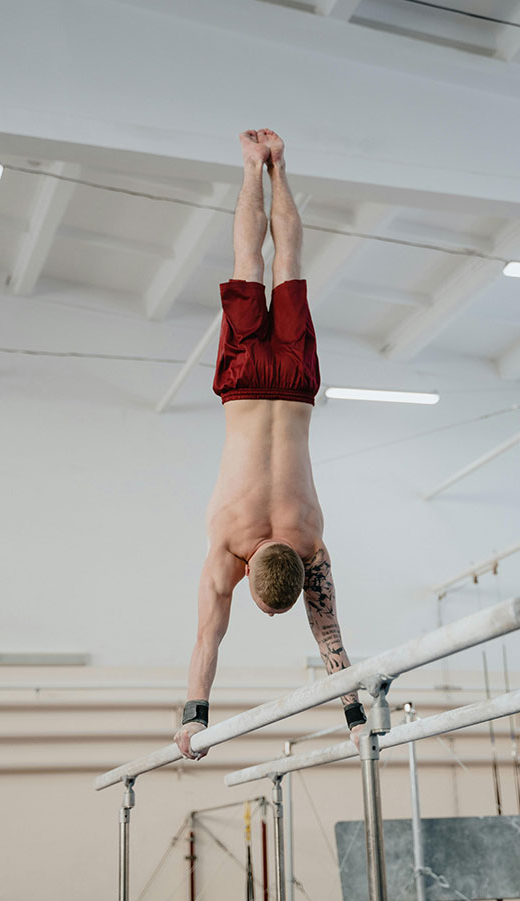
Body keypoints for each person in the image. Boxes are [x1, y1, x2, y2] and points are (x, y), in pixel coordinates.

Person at [174, 129, 366, 760]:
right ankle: (255, 165)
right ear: (250, 572)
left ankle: (276, 165)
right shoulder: (229, 548)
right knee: (251, 266)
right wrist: (191, 716)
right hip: (243, 389)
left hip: (296, 387)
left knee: (282, 267)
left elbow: (328, 631)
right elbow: (210, 637)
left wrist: (357, 715)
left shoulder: (311, 543)